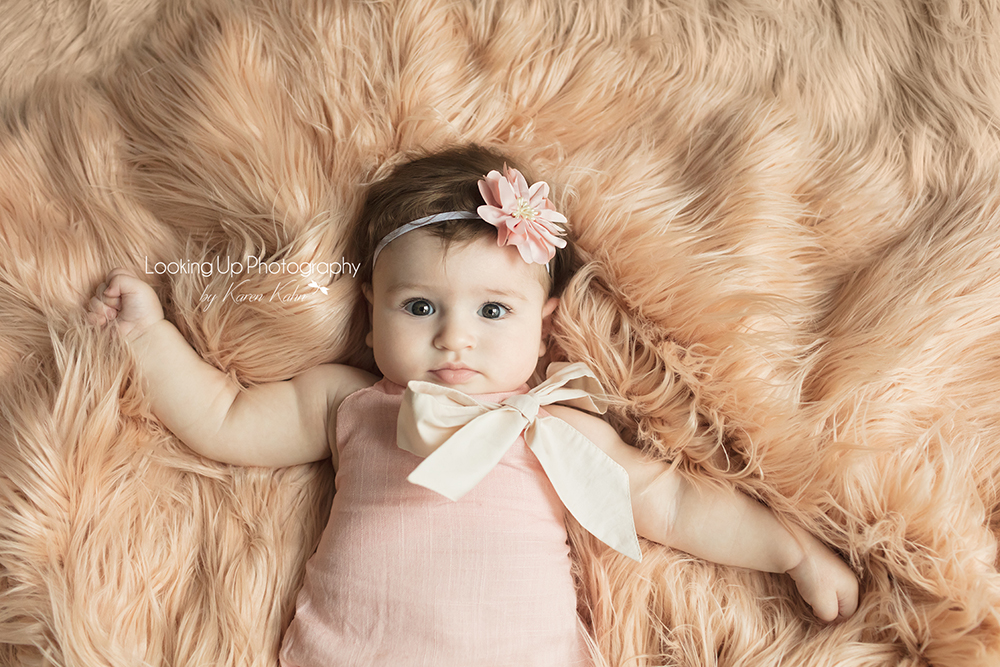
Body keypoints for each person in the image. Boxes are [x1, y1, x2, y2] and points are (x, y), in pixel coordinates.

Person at [87, 145, 858, 666]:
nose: (455, 339)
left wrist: (790, 550)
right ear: (371, 308)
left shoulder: (554, 427)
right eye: (420, 307)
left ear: (544, 323)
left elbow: (676, 501)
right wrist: (149, 336)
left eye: (493, 312)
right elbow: (224, 420)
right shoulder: (352, 402)